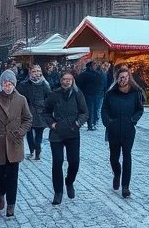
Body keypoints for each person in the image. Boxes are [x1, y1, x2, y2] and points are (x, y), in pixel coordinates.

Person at [0, 70, 32, 219]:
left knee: (12, 176)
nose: (7, 87)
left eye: (10, 84)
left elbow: (28, 119)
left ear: (14, 85)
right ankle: (0, 193)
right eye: (5, 84)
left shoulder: (21, 100)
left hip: (14, 143)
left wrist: (21, 131)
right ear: (1, 84)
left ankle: (11, 204)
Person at [44, 71, 88, 205]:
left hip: (72, 132)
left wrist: (77, 123)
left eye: (68, 79)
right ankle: (58, 192)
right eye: (64, 79)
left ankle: (69, 181)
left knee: (74, 162)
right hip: (57, 133)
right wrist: (52, 124)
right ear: (61, 80)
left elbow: (84, 112)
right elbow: (45, 112)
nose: (66, 82)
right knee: (57, 163)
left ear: (73, 81)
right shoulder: (54, 94)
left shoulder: (77, 94)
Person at [101, 68, 144, 197]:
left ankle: (125, 186)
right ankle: (117, 173)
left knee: (127, 156)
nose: (123, 79)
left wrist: (133, 120)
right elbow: (104, 110)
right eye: (121, 77)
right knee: (114, 157)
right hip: (113, 129)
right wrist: (108, 122)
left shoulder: (135, 93)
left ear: (129, 78)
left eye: (125, 77)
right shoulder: (110, 93)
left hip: (128, 129)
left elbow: (140, 110)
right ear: (117, 78)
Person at [16, 65, 50, 160]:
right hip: (28, 112)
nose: (36, 73)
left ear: (41, 73)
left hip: (41, 113)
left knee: (39, 134)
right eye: (34, 71)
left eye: (38, 71)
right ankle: (32, 150)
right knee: (29, 132)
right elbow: (19, 97)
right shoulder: (24, 84)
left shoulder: (45, 84)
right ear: (30, 73)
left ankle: (37, 151)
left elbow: (50, 97)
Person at [76, 62, 104, 131]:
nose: (95, 66)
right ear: (90, 67)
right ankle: (89, 124)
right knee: (89, 110)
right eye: (94, 65)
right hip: (88, 95)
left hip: (93, 95)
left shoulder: (95, 74)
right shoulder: (86, 75)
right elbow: (79, 84)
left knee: (92, 110)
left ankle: (91, 124)